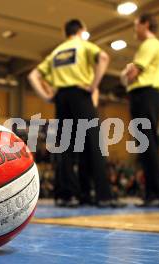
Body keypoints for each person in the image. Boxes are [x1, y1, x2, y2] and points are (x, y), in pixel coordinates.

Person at [28, 19, 123, 208]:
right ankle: (103, 196)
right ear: (82, 30)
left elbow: (32, 76)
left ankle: (67, 195)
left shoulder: (56, 52)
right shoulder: (83, 45)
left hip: (61, 99)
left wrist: (47, 97)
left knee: (66, 148)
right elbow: (103, 57)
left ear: (65, 32)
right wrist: (93, 85)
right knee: (93, 145)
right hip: (81, 95)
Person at [120, 13, 159, 207]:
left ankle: (158, 193)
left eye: (136, 25)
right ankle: (153, 193)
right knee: (147, 145)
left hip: (144, 95)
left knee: (147, 144)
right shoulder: (153, 45)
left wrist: (126, 73)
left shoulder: (149, 45)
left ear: (145, 24)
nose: (134, 29)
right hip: (147, 96)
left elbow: (132, 74)